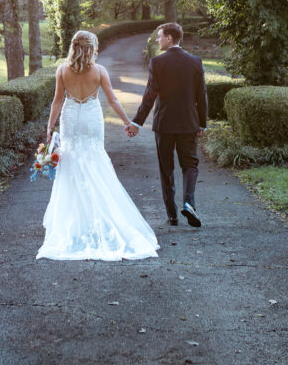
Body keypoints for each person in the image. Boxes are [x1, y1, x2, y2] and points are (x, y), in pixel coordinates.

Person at [36, 30, 159, 262]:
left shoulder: (62, 70)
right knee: (94, 157)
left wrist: (50, 127)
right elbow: (112, 99)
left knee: (71, 160)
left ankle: (75, 219)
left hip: (71, 117)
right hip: (91, 118)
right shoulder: (100, 71)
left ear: (73, 46)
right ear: (92, 48)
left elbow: (57, 101)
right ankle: (101, 213)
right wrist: (127, 122)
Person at [127, 22, 207, 228]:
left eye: (160, 36)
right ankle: (189, 203)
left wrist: (137, 122)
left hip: (164, 124)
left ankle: (172, 215)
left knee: (166, 169)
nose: (157, 39)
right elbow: (202, 96)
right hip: (189, 123)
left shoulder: (157, 63)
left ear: (169, 38)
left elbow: (149, 96)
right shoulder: (195, 62)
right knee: (190, 165)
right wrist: (202, 124)